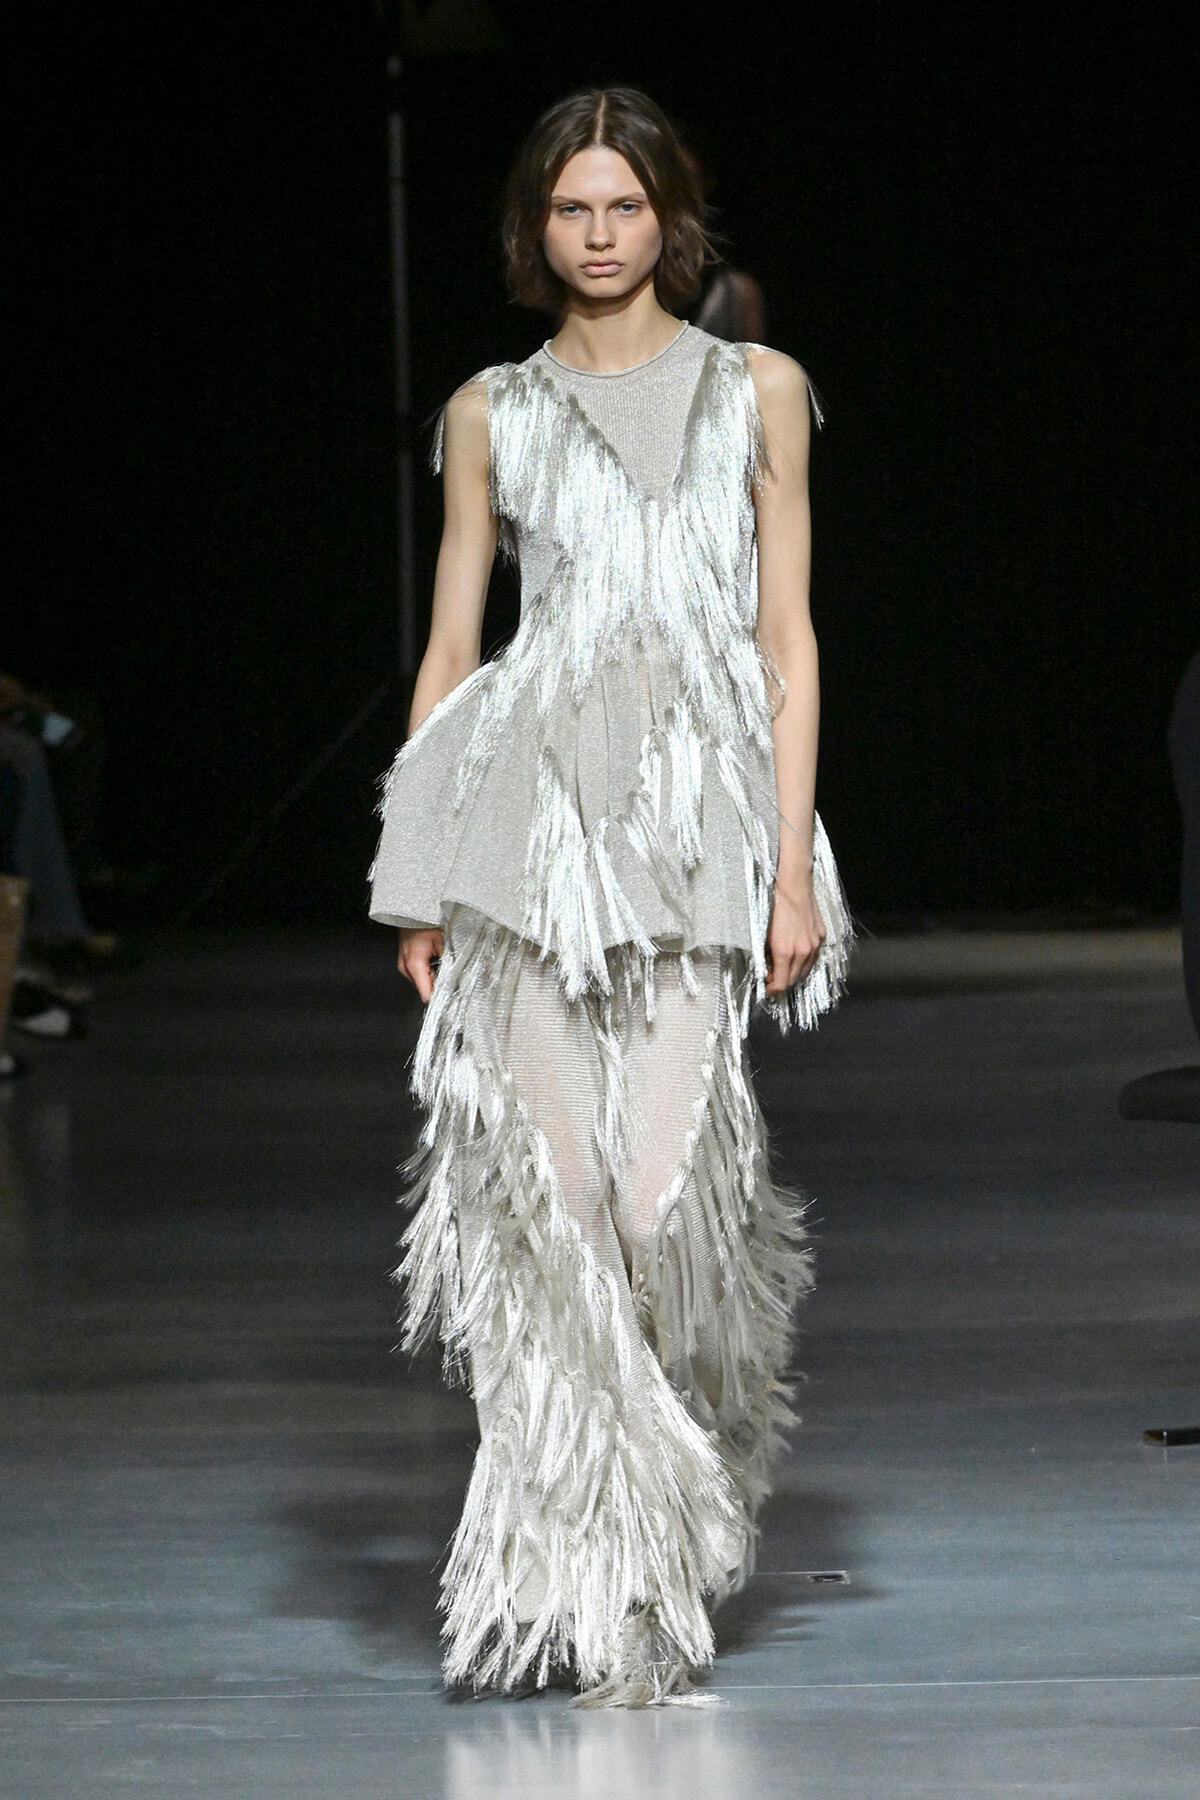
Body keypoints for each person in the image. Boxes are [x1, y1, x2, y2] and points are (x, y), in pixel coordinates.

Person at [369, 87, 851, 1707]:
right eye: (570, 209)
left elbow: (787, 642)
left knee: (662, 1206)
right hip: (528, 826)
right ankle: (604, 1585)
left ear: (668, 218)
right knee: (552, 1212)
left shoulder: (756, 394)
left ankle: (659, 1516)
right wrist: (416, 871)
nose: (597, 234)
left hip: (700, 818)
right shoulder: (489, 410)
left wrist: (793, 866)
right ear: (536, 226)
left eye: (623, 207)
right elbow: (452, 648)